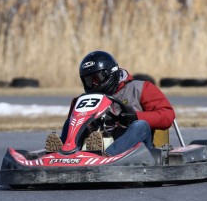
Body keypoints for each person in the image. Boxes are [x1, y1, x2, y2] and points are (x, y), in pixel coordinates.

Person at [45, 51, 175, 156]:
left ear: (111, 74)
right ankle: (65, 153)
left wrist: (135, 116)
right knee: (71, 122)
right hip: (95, 144)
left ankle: (106, 156)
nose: (93, 84)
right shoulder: (85, 100)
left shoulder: (140, 88)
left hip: (135, 147)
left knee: (140, 125)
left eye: (97, 79)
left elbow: (168, 116)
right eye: (89, 81)